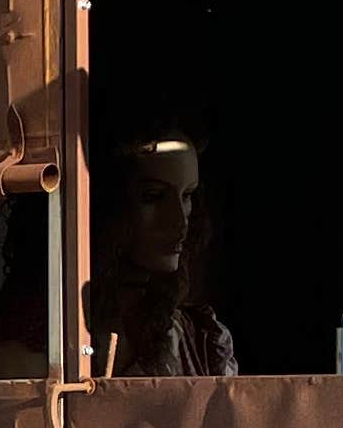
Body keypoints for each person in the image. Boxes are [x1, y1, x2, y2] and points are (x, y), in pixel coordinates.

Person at [84, 134, 237, 377]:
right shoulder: (55, 335)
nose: (179, 223)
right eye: (153, 196)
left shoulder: (201, 342)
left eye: (187, 195)